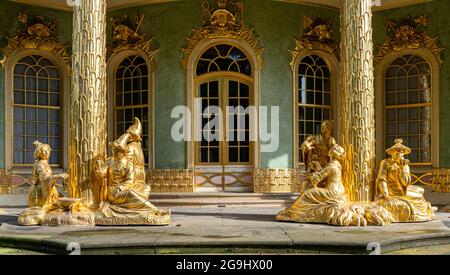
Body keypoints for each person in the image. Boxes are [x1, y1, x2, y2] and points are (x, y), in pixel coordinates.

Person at [375, 139, 436, 222]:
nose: (399, 153)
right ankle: (425, 209)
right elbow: (382, 180)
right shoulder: (385, 163)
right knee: (418, 196)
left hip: (402, 189)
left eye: (401, 151)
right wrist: (386, 195)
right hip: (391, 191)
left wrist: (402, 169)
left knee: (421, 190)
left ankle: (427, 208)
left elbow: (406, 183)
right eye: (396, 151)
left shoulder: (405, 166)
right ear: (392, 152)